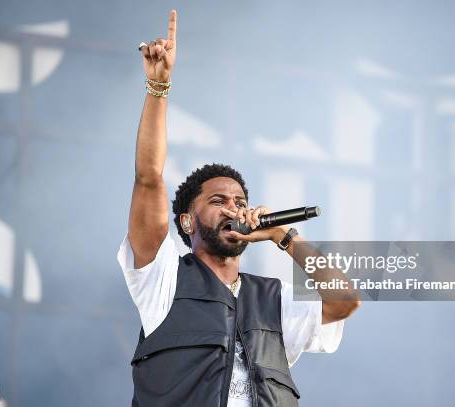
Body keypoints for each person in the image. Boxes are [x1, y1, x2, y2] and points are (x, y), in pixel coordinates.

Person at [117, 10, 360, 407]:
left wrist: (284, 236)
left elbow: (344, 301)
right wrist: (158, 88)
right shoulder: (162, 280)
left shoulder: (271, 298)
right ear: (187, 220)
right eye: (218, 201)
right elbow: (148, 177)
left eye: (240, 202)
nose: (233, 208)